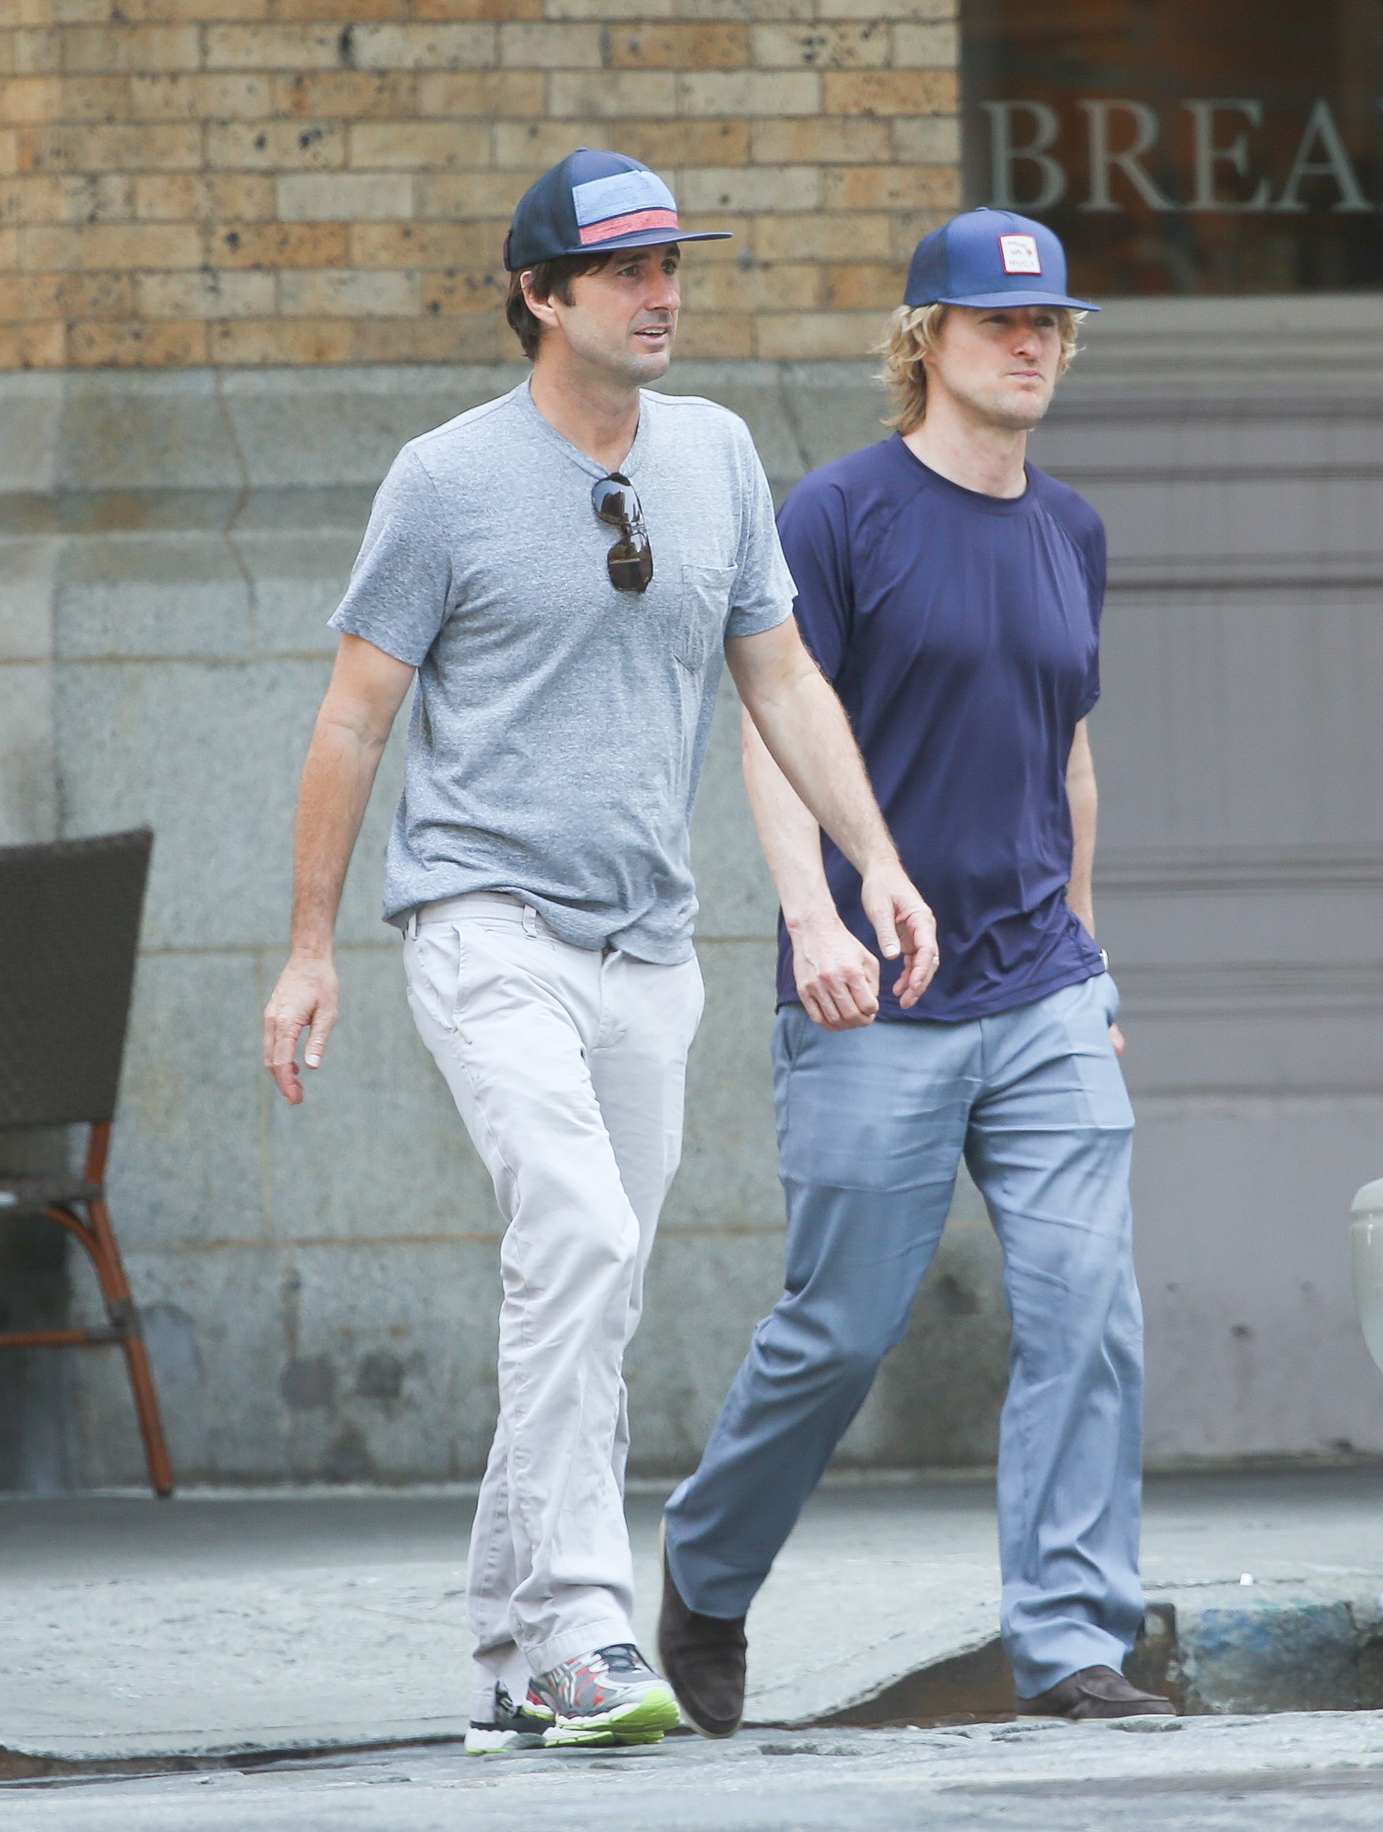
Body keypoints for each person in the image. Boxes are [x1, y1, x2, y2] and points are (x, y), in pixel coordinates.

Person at [259, 148, 936, 1754]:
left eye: (672, 265)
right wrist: (308, 950)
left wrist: (875, 860)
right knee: (573, 1230)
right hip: (484, 918)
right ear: (540, 293)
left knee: (596, 1285)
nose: (661, 294)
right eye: (625, 271)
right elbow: (354, 720)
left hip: (648, 944)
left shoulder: (711, 455)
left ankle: (512, 1660)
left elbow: (780, 681)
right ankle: (582, 1626)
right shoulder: (443, 479)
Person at [659, 210, 1172, 1734]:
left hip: (1044, 993)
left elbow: (1067, 749)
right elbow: (766, 721)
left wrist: (1093, 953)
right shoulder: (839, 513)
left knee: (1091, 1309)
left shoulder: (1072, 529)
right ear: (926, 342)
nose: (1032, 347)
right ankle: (710, 1566)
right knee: (841, 1330)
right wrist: (811, 920)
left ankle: (1073, 1643)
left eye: (1052, 328)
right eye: (999, 324)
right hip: (870, 993)